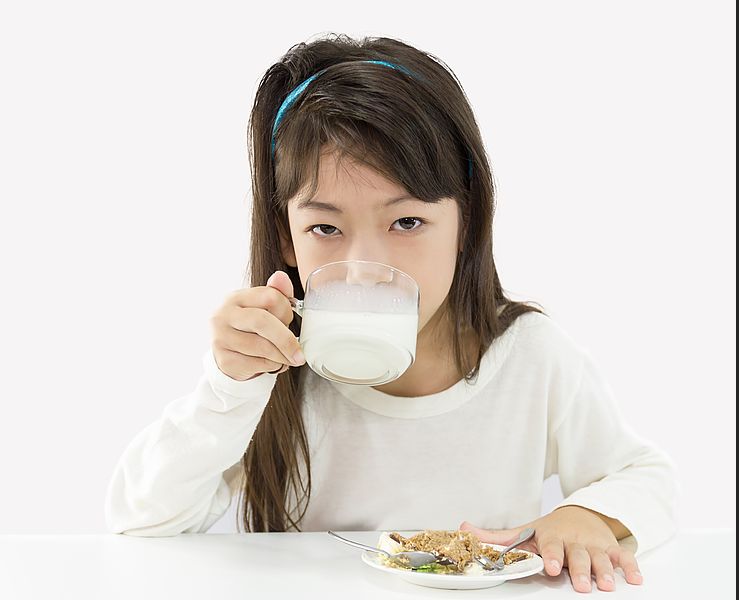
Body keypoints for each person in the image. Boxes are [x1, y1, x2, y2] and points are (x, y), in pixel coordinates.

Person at [105, 33, 678, 593]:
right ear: (288, 238)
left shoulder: (528, 356)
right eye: (325, 228)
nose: (365, 267)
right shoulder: (269, 375)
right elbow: (142, 520)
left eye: (406, 223)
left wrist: (587, 517)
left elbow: (647, 477)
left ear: (466, 220)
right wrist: (228, 388)